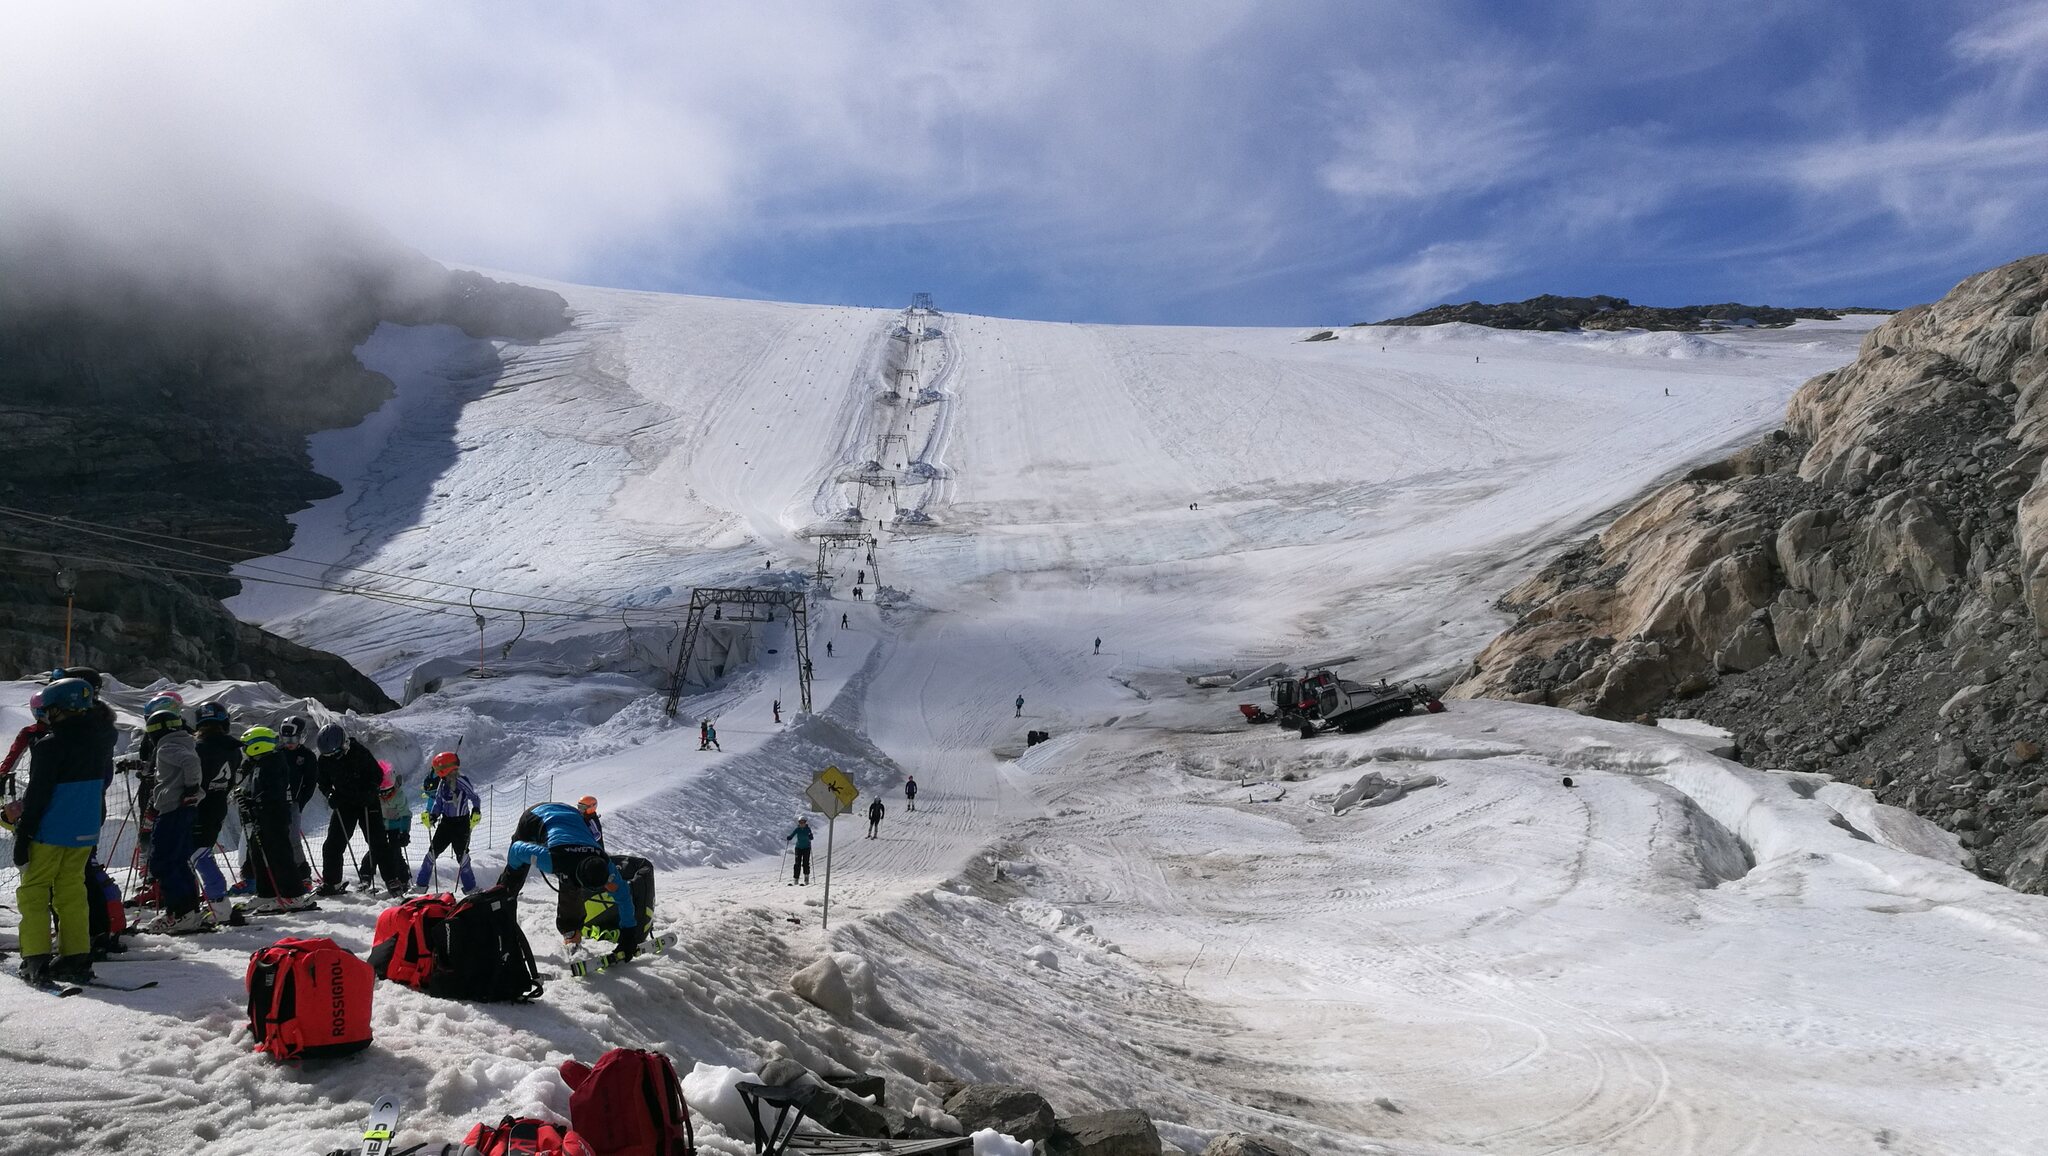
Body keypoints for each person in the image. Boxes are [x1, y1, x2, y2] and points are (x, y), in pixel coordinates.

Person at [7, 677, 106, 985]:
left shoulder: (50, 745)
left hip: (50, 831)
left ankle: (35, 959)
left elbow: (38, 795)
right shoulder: (98, 742)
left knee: (35, 892)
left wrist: (24, 835)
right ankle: (76, 957)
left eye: (48, 709)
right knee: (72, 891)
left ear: (59, 709)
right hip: (84, 831)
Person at [497, 800, 638, 954]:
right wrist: (512, 874)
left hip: (572, 816)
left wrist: (629, 933)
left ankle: (571, 933)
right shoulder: (552, 859)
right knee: (511, 885)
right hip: (535, 817)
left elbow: (623, 895)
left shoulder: (605, 865)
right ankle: (500, 929)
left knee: (571, 887)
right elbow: (517, 850)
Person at [141, 706, 207, 933]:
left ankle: (179, 912)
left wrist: (190, 788)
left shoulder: (167, 746)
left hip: (173, 808)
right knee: (178, 859)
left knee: (162, 860)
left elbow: (190, 763)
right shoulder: (183, 742)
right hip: (183, 808)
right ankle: (189, 911)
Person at [316, 723, 401, 896]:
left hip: (367, 802)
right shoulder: (324, 760)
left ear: (344, 744)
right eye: (328, 755)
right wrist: (330, 794)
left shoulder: (358, 752)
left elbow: (377, 774)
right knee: (333, 843)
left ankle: (392, 880)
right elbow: (323, 781)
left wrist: (370, 791)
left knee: (377, 842)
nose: (333, 758)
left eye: (335, 754)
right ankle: (331, 882)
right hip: (344, 803)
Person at [237, 726, 309, 912]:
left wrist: (253, 802)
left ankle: (293, 895)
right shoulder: (261, 763)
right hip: (263, 815)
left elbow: (274, 792)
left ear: (257, 745)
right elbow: (258, 789)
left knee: (279, 855)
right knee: (258, 854)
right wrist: (246, 797)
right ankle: (267, 892)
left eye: (246, 745)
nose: (244, 750)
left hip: (274, 816)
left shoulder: (273, 763)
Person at [187, 702, 237, 914]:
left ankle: (218, 902)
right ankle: (213, 900)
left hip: (198, 805)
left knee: (197, 853)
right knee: (201, 851)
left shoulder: (198, 748)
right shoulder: (233, 748)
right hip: (218, 803)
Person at [416, 750, 482, 892]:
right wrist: (433, 815)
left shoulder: (462, 780)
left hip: (461, 824)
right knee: (432, 852)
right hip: (446, 823)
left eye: (438, 769)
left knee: (462, 856)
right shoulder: (443, 782)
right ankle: (421, 885)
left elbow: (474, 797)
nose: (437, 772)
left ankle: (470, 887)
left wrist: (476, 810)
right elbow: (438, 802)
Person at [277, 716, 319, 889]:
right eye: (286, 739)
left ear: (302, 736)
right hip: (276, 803)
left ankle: (303, 875)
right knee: (277, 839)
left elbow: (310, 783)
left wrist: (300, 803)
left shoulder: (307, 756)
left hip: (293, 803)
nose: (289, 743)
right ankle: (280, 873)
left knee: (293, 839)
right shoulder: (277, 753)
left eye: (293, 739)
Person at [365, 762, 413, 891]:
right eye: (381, 793)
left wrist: (404, 832)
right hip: (380, 826)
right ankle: (365, 876)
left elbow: (405, 815)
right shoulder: (375, 797)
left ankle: (403, 879)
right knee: (375, 850)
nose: (384, 796)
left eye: (388, 792)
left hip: (395, 826)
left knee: (395, 851)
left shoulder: (399, 796)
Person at [2, 690, 47, 800]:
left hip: (58, 781)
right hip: (39, 781)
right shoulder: (31, 732)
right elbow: (14, 754)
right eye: (41, 712)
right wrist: (3, 774)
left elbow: (14, 755)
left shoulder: (66, 730)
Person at [786, 817, 814, 884]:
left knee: (805, 863)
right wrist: (790, 837)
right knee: (797, 863)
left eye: (803, 822)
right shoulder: (797, 829)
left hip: (806, 848)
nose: (801, 824)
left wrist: (811, 836)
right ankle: (796, 879)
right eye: (800, 822)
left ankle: (806, 878)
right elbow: (792, 834)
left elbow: (811, 836)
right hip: (798, 848)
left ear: (805, 822)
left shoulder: (808, 829)